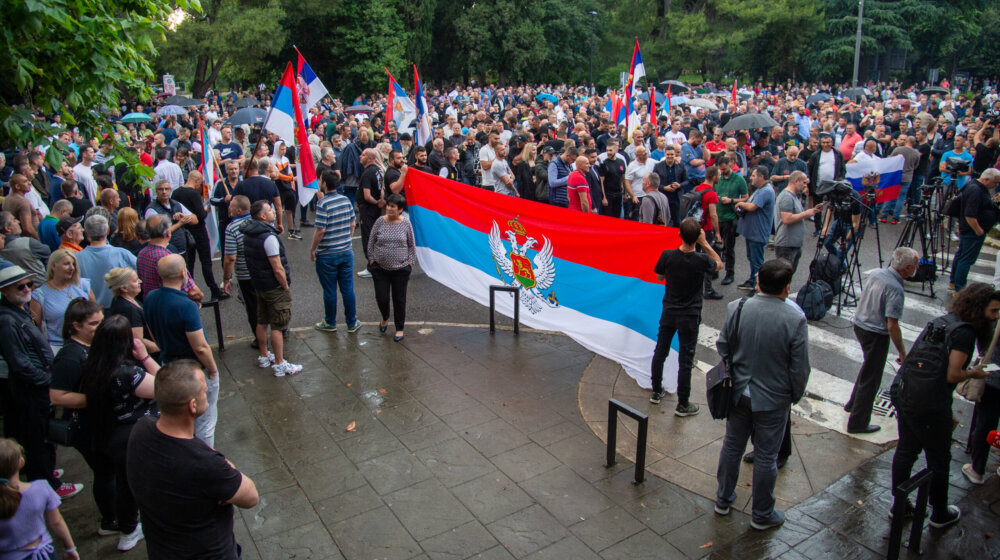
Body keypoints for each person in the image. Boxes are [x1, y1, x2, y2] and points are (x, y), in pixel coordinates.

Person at [891, 283, 999, 529]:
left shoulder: (942, 321)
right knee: (939, 458)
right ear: (979, 308)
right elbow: (953, 374)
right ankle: (939, 513)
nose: (995, 317)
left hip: (906, 393)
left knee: (906, 451)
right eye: (993, 311)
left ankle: (899, 506)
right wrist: (973, 373)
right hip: (931, 404)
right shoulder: (965, 333)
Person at [127, 360, 258, 559]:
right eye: (204, 390)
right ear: (193, 405)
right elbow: (250, 497)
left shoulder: (141, 429)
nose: (207, 392)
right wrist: (225, 467)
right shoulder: (205, 464)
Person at [715, 258, 810, 530]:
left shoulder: (737, 307)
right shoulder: (795, 319)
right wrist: (793, 395)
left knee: (732, 446)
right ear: (787, 287)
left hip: (738, 391)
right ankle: (762, 513)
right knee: (767, 456)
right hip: (773, 398)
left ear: (758, 281)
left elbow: (723, 345)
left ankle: (723, 498)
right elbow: (800, 368)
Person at [0, 263, 83, 499]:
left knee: (38, 436)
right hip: (32, 389)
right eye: (20, 287)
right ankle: (48, 483)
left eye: (29, 284)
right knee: (38, 437)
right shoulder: (7, 320)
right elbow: (20, 364)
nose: (27, 289)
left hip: (35, 385)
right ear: (5, 291)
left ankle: (44, 471)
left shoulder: (19, 311)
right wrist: (48, 380)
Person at [79, 314, 159, 552]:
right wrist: (144, 357)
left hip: (109, 434)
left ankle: (127, 528)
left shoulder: (93, 365)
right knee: (137, 485)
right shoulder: (127, 374)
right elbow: (165, 385)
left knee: (123, 483)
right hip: (135, 437)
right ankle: (134, 528)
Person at [49, 299, 119, 535]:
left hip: (100, 423)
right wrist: (96, 399)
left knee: (110, 471)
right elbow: (57, 396)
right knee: (105, 472)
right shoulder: (69, 357)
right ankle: (110, 521)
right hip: (87, 428)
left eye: (101, 321)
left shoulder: (92, 346)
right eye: (93, 324)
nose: (100, 327)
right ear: (76, 325)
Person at [143, 254, 220, 444]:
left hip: (168, 365)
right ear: (182, 273)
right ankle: (204, 456)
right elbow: (200, 347)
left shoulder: (150, 298)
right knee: (205, 422)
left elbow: (152, 331)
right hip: (192, 371)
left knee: (180, 419)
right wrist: (212, 370)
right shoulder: (186, 305)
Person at [649, 218, 722, 414]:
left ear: (679, 235)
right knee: (686, 360)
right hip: (690, 314)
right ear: (697, 236)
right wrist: (704, 243)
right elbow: (719, 264)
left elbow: (659, 276)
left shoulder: (668, 255)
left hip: (670, 311)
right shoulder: (702, 260)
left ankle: (656, 391)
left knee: (660, 352)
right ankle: (683, 402)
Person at [845, 247, 919, 434]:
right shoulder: (895, 288)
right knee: (871, 379)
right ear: (907, 267)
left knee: (868, 370)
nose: (917, 268)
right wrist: (902, 352)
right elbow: (892, 324)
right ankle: (858, 422)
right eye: (916, 265)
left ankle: (853, 404)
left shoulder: (877, 273)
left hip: (860, 324)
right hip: (875, 333)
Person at [241, 202, 302, 377]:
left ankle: (264, 355)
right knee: (278, 325)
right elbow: (277, 267)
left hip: (259, 284)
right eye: (269, 210)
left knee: (262, 320)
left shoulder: (248, 234)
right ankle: (280, 363)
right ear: (262, 216)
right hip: (273, 287)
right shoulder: (268, 238)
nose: (274, 211)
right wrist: (285, 285)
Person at [0, 438, 79, 560]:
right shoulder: (41, 488)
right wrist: (70, 549)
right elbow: (56, 522)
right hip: (44, 554)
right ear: (21, 462)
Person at [310, 170, 360, 333]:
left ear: (324, 184)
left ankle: (330, 322)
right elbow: (352, 223)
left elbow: (320, 230)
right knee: (347, 288)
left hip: (327, 254)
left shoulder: (323, 204)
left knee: (330, 290)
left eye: (320, 180)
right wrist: (347, 238)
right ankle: (351, 322)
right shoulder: (345, 200)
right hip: (346, 251)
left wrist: (313, 249)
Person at [367, 194, 416, 342]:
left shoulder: (406, 223)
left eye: (393, 206)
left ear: (400, 209)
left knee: (399, 299)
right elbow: (371, 241)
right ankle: (385, 317)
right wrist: (371, 260)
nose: (389, 208)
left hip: (401, 269)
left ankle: (399, 328)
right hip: (380, 268)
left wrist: (410, 263)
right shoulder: (379, 222)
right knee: (382, 297)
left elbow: (411, 245)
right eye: (388, 205)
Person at [28, 249, 96, 352]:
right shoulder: (39, 295)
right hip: (57, 347)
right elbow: (36, 328)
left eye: (73, 264)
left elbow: (96, 314)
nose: (71, 268)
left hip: (86, 344)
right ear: (53, 266)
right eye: (66, 264)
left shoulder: (83, 286)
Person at [950, 168, 1000, 292]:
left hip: (970, 229)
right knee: (966, 259)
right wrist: (978, 230)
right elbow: (970, 215)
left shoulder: (976, 186)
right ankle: (960, 288)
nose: (996, 185)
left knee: (961, 256)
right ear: (986, 179)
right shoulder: (976, 191)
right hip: (973, 230)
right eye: (995, 182)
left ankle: (953, 282)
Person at [136, 214, 203, 302]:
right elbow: (192, 291)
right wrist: (198, 298)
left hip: (151, 304)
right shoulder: (168, 258)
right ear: (168, 233)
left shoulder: (141, 254)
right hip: (172, 304)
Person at [74, 215, 137, 308]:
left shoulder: (75, 258)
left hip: (89, 311)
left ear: (86, 234)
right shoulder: (122, 254)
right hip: (118, 309)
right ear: (108, 230)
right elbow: (141, 273)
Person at [735, 166, 776, 291]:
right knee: (752, 258)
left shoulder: (766, 191)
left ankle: (758, 287)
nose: (751, 178)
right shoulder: (760, 189)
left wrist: (740, 203)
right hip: (752, 232)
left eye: (753, 175)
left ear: (761, 177)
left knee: (757, 261)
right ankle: (752, 280)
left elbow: (753, 206)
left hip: (758, 232)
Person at [222, 195, 258, 339]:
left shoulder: (232, 228)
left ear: (238, 210)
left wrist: (226, 278)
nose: (228, 208)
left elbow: (230, 258)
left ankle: (260, 340)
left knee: (253, 308)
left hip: (246, 275)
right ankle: (280, 331)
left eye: (231, 206)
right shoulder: (259, 221)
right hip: (264, 272)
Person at [773, 171, 822, 275]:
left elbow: (797, 216)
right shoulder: (786, 197)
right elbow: (786, 219)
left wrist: (812, 211)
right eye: (804, 183)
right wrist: (806, 213)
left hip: (794, 244)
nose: (805, 186)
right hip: (787, 245)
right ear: (796, 181)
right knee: (784, 276)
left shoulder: (794, 196)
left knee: (788, 275)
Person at [105, 267, 159, 357]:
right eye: (135, 281)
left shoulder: (128, 299)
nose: (140, 281)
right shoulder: (129, 309)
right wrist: (163, 348)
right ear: (124, 288)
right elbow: (138, 341)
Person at [713, 155, 748, 285]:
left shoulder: (739, 179)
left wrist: (732, 200)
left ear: (730, 165)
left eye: (724, 169)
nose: (722, 172)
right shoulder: (718, 177)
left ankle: (729, 273)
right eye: (720, 169)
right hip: (717, 217)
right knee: (715, 246)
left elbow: (745, 197)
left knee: (729, 248)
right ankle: (715, 270)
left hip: (730, 218)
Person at [232, 158, 283, 234]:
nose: (241, 171)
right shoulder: (270, 183)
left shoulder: (240, 185)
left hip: (249, 226)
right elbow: (278, 206)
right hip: (267, 224)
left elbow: (233, 206)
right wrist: (279, 223)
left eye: (242, 168)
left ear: (248, 169)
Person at [355, 148, 384, 279]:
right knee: (375, 236)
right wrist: (380, 202)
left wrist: (376, 202)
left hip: (368, 209)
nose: (361, 156)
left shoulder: (367, 173)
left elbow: (367, 196)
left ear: (371, 158)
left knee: (368, 237)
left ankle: (371, 267)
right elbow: (382, 189)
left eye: (364, 155)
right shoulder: (378, 170)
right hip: (375, 210)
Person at [880, 135, 921, 224]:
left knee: (891, 195)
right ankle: (895, 218)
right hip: (907, 177)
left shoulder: (898, 149)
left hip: (896, 176)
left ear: (906, 141)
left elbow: (890, 161)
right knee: (901, 198)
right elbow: (916, 166)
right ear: (914, 143)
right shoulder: (916, 153)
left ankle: (884, 216)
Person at [652, 145, 690, 227]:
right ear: (665, 154)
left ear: (675, 154)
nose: (670, 156)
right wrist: (664, 187)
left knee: (677, 222)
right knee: (663, 221)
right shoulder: (658, 166)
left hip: (676, 198)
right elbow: (654, 183)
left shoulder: (680, 166)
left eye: (672, 154)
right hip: (663, 197)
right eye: (668, 154)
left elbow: (687, 181)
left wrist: (679, 185)